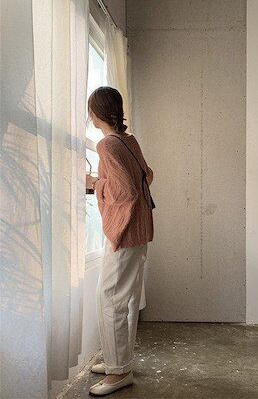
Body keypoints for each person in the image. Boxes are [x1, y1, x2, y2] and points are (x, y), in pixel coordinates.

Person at [85, 86, 154, 396]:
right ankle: (120, 363)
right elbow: (147, 176)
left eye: (90, 109)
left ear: (97, 113)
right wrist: (105, 182)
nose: (89, 115)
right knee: (124, 300)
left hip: (125, 233)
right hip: (140, 230)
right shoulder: (129, 140)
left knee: (110, 299)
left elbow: (125, 191)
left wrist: (95, 184)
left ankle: (118, 373)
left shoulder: (107, 145)